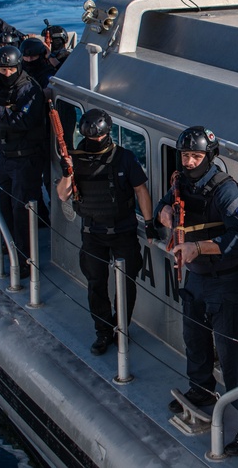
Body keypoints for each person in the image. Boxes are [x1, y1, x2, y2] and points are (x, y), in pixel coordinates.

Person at [154, 126, 238, 456]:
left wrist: (199, 248)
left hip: (225, 283)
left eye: (196, 156)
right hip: (197, 279)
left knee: (233, 361)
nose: (189, 161)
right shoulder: (181, 181)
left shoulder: (225, 191)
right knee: (195, 339)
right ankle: (200, 391)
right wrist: (165, 213)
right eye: (185, 155)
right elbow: (165, 204)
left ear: (210, 157)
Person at [55, 109, 154, 355]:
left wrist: (150, 223)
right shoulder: (75, 159)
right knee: (96, 283)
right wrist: (68, 173)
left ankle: (122, 328)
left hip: (123, 230)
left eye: (100, 136)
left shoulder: (124, 158)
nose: (96, 141)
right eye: (91, 136)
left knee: (126, 282)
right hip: (92, 231)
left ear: (108, 133)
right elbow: (62, 194)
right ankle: (103, 331)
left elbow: (141, 190)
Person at [0, 45, 46, 277]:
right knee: (2, 207)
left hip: (26, 158)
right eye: (2, 69)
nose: (6, 73)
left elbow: (24, 121)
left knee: (22, 212)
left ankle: (25, 262)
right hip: (5, 156)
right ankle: (8, 251)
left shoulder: (29, 90)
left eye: (10, 69)